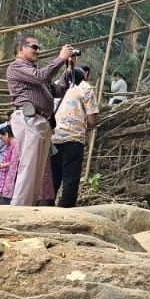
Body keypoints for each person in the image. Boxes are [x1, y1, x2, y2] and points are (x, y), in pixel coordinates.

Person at [5, 36, 71, 207]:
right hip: (29, 119)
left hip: (42, 121)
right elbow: (40, 77)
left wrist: (68, 68)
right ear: (20, 48)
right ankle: (18, 209)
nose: (38, 51)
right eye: (34, 47)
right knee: (28, 166)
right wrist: (60, 58)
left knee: (37, 170)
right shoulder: (16, 67)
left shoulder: (34, 72)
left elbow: (57, 91)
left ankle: (27, 208)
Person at [50, 66, 100, 208]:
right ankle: (66, 209)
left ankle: (46, 206)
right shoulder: (86, 88)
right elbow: (91, 121)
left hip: (54, 137)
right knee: (70, 178)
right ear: (85, 75)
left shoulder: (56, 85)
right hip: (74, 138)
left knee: (53, 176)